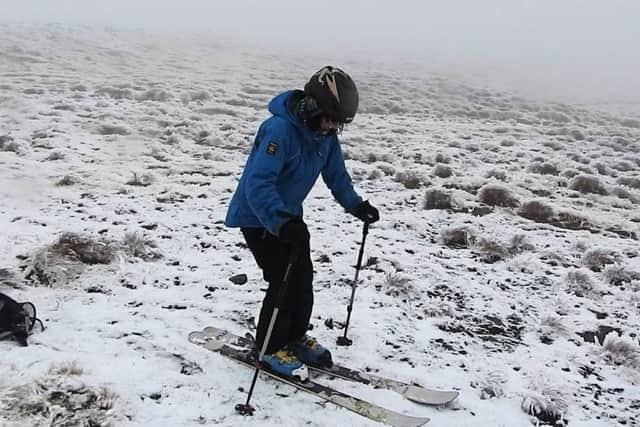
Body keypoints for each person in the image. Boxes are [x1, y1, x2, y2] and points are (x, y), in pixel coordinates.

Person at [224, 66, 380, 378]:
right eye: (330, 117)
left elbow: (337, 177)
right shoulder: (278, 132)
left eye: (339, 122)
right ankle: (269, 348)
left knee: (303, 278)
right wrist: (281, 222)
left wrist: (357, 205)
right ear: (312, 106)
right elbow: (258, 184)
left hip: (289, 219)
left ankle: (293, 338)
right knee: (283, 279)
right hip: (259, 217)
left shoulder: (325, 137)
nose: (332, 126)